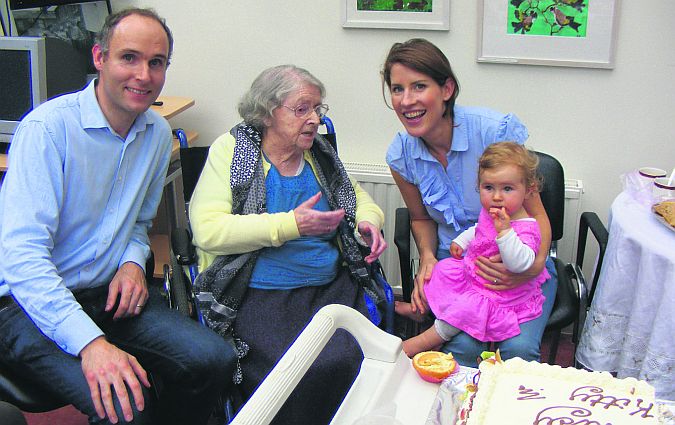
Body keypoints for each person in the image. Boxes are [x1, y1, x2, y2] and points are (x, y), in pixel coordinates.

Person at [0, 8, 236, 425]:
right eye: (129, 57)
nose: (144, 75)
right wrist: (91, 343)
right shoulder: (47, 131)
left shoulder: (157, 135)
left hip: (103, 293)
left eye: (156, 62)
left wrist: (130, 262)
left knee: (213, 360)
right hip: (25, 304)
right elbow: (23, 261)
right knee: (128, 407)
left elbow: (139, 224)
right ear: (99, 58)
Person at [188, 64, 387, 424]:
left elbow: (359, 201)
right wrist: (291, 225)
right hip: (256, 291)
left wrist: (370, 222)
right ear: (267, 112)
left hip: (329, 288)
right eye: (302, 109)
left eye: (318, 109)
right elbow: (209, 231)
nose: (314, 119)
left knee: (348, 356)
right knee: (287, 369)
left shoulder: (320, 155)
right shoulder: (233, 152)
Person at [382, 38, 558, 366]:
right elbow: (420, 219)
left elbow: (538, 216)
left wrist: (531, 268)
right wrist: (428, 259)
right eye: (397, 89)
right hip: (464, 269)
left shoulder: (493, 132)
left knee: (518, 351)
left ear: (446, 89)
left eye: (419, 86)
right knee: (461, 351)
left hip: (523, 261)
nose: (406, 101)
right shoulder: (401, 155)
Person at [402, 142, 550, 357]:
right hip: (476, 276)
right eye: (488, 188)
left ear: (528, 190)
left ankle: (423, 341)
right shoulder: (493, 211)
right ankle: (423, 310)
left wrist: (505, 232)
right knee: (440, 270)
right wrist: (461, 242)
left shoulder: (527, 227)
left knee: (466, 310)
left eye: (507, 189)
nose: (497, 196)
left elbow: (520, 263)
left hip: (501, 292)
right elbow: (479, 229)